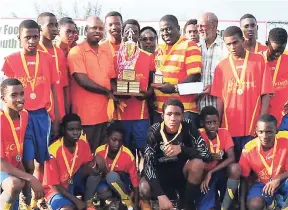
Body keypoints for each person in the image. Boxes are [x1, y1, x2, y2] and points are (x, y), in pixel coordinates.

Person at [1, 19, 60, 208]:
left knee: (41, 159)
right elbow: (6, 91)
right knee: (26, 161)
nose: (32, 41)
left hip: (42, 115)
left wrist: (56, 117)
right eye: (28, 37)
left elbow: (54, 89)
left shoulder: (48, 59)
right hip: (21, 116)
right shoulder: (11, 60)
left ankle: (37, 198)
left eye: (36, 36)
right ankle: (26, 198)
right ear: (19, 38)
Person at [210, 26, 274, 162]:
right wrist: (218, 126)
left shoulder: (259, 61)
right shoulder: (221, 66)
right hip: (229, 128)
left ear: (243, 40)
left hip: (252, 127)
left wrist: (261, 124)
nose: (232, 47)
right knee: (231, 166)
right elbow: (219, 99)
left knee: (251, 168)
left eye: (235, 42)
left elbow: (266, 94)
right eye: (228, 44)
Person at [140, 98, 212, 210]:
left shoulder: (188, 127)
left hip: (180, 173)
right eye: (169, 114)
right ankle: (147, 204)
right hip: (159, 173)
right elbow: (148, 165)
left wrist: (182, 149)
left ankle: (187, 205)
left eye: (177, 114)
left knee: (198, 164)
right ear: (162, 116)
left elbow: (207, 155)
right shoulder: (154, 131)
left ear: (183, 116)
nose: (173, 118)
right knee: (144, 187)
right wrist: (161, 195)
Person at [67, 16, 117, 153]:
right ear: (86, 30)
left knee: (101, 155)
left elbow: (111, 79)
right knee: (86, 155)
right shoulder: (76, 52)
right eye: (94, 28)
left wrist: (122, 93)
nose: (98, 31)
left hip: (105, 115)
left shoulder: (106, 52)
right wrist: (107, 92)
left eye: (101, 28)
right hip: (86, 117)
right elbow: (82, 80)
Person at [0, 78, 44, 210]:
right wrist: (31, 178)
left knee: (20, 179)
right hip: (3, 169)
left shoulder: (24, 115)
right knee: (15, 184)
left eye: (22, 93)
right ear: (3, 98)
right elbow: (1, 163)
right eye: (14, 95)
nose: (20, 99)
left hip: (13, 168)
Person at [43, 113, 100, 210]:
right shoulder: (53, 151)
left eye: (78, 129)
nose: (75, 133)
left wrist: (97, 160)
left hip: (73, 182)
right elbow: (54, 185)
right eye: (71, 129)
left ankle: (88, 201)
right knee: (67, 209)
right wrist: (76, 200)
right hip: (56, 190)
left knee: (95, 169)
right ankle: (51, 203)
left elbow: (88, 164)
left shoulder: (82, 143)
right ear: (63, 130)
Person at [153, 15, 202, 125]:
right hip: (161, 111)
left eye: (168, 28)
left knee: (183, 142)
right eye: (162, 30)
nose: (165, 33)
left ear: (178, 28)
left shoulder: (190, 45)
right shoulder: (159, 49)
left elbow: (194, 76)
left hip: (183, 110)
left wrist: (174, 88)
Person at [114, 19, 154, 152]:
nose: (131, 34)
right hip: (120, 114)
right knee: (123, 150)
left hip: (141, 115)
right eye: (127, 31)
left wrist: (147, 94)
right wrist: (116, 92)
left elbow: (153, 83)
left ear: (138, 35)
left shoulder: (148, 57)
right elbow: (110, 81)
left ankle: (142, 172)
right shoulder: (115, 57)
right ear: (122, 34)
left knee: (142, 150)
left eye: (135, 32)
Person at [239, 114, 288, 210]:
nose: (265, 136)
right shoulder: (249, 149)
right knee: (254, 205)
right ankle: (274, 203)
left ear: (276, 131)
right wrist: (242, 205)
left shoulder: (285, 139)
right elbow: (244, 178)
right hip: (263, 184)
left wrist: (277, 179)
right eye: (261, 132)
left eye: (269, 132)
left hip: (284, 180)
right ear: (256, 131)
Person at [198, 106, 241, 210]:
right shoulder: (199, 134)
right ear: (202, 123)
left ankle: (227, 203)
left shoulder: (224, 132)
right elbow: (195, 156)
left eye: (215, 122)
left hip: (217, 170)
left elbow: (231, 158)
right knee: (207, 206)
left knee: (234, 168)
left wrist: (211, 172)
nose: (213, 126)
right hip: (202, 172)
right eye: (209, 123)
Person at [95, 122, 139, 210]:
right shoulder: (99, 151)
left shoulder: (127, 154)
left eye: (120, 140)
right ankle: (114, 202)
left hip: (123, 185)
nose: (117, 144)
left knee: (112, 176)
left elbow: (135, 180)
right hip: (106, 184)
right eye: (114, 140)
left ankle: (126, 200)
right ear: (107, 138)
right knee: (101, 189)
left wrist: (136, 203)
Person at [37, 12, 69, 120]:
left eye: (56, 25)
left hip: (59, 111)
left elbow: (64, 86)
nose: (55, 29)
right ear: (40, 28)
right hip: (41, 111)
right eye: (50, 25)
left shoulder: (59, 52)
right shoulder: (35, 51)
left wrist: (66, 111)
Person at [197, 12, 229, 111]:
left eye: (202, 25)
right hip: (196, 107)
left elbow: (231, 77)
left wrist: (215, 87)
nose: (199, 29)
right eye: (198, 26)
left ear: (214, 26)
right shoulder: (195, 48)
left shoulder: (226, 48)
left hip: (218, 107)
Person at [263, 28, 288, 131]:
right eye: (274, 50)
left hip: (283, 117)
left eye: (281, 50)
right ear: (268, 42)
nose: (277, 54)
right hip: (261, 116)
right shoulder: (257, 60)